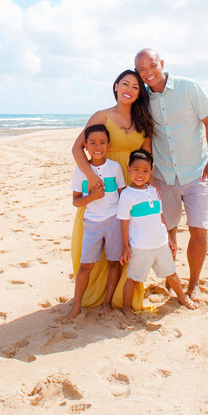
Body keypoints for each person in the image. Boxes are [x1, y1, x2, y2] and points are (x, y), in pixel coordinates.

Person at [134, 48, 208, 302]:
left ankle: (194, 283)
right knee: (168, 232)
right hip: (163, 176)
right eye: (141, 70)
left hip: (196, 172)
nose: (148, 73)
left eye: (152, 66)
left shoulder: (189, 88)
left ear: (161, 63)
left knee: (199, 230)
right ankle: (173, 282)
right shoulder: (143, 100)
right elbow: (146, 138)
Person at [70, 69, 155, 313]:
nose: (129, 89)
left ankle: (120, 298)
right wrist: (90, 176)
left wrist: (148, 185)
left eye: (136, 87)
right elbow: (78, 148)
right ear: (116, 86)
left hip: (132, 184)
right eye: (125, 84)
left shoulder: (143, 121)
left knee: (127, 243)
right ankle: (90, 297)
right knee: (93, 242)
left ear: (140, 94)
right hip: (102, 188)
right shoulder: (101, 115)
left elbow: (147, 156)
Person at [118, 149, 197, 320]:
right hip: (140, 247)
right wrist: (125, 246)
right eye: (136, 170)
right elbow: (124, 222)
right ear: (128, 169)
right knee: (133, 278)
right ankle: (125, 308)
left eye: (145, 171)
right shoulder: (127, 195)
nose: (140, 174)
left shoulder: (154, 191)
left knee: (172, 273)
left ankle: (182, 297)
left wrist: (168, 238)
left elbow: (160, 216)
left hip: (160, 244)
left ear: (151, 173)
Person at [64, 124, 125, 321]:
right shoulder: (81, 170)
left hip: (114, 220)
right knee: (85, 266)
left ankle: (107, 303)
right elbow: (76, 201)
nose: (97, 146)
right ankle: (76, 306)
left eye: (102, 142)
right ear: (86, 146)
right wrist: (92, 197)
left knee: (114, 263)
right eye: (92, 143)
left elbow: (122, 194)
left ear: (108, 145)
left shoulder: (115, 168)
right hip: (91, 223)